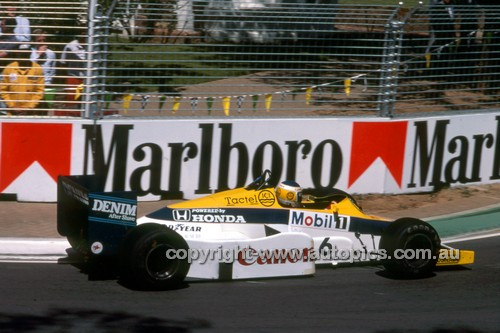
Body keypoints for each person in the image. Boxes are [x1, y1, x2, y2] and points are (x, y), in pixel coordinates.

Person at [0, 44, 45, 115]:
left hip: (31, 113)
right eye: (22, 53)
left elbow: (39, 91)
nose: (24, 55)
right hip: (12, 113)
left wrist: (29, 107)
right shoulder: (9, 68)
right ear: (17, 53)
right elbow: (3, 90)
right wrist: (12, 106)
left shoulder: (37, 69)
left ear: (30, 53)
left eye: (26, 53)